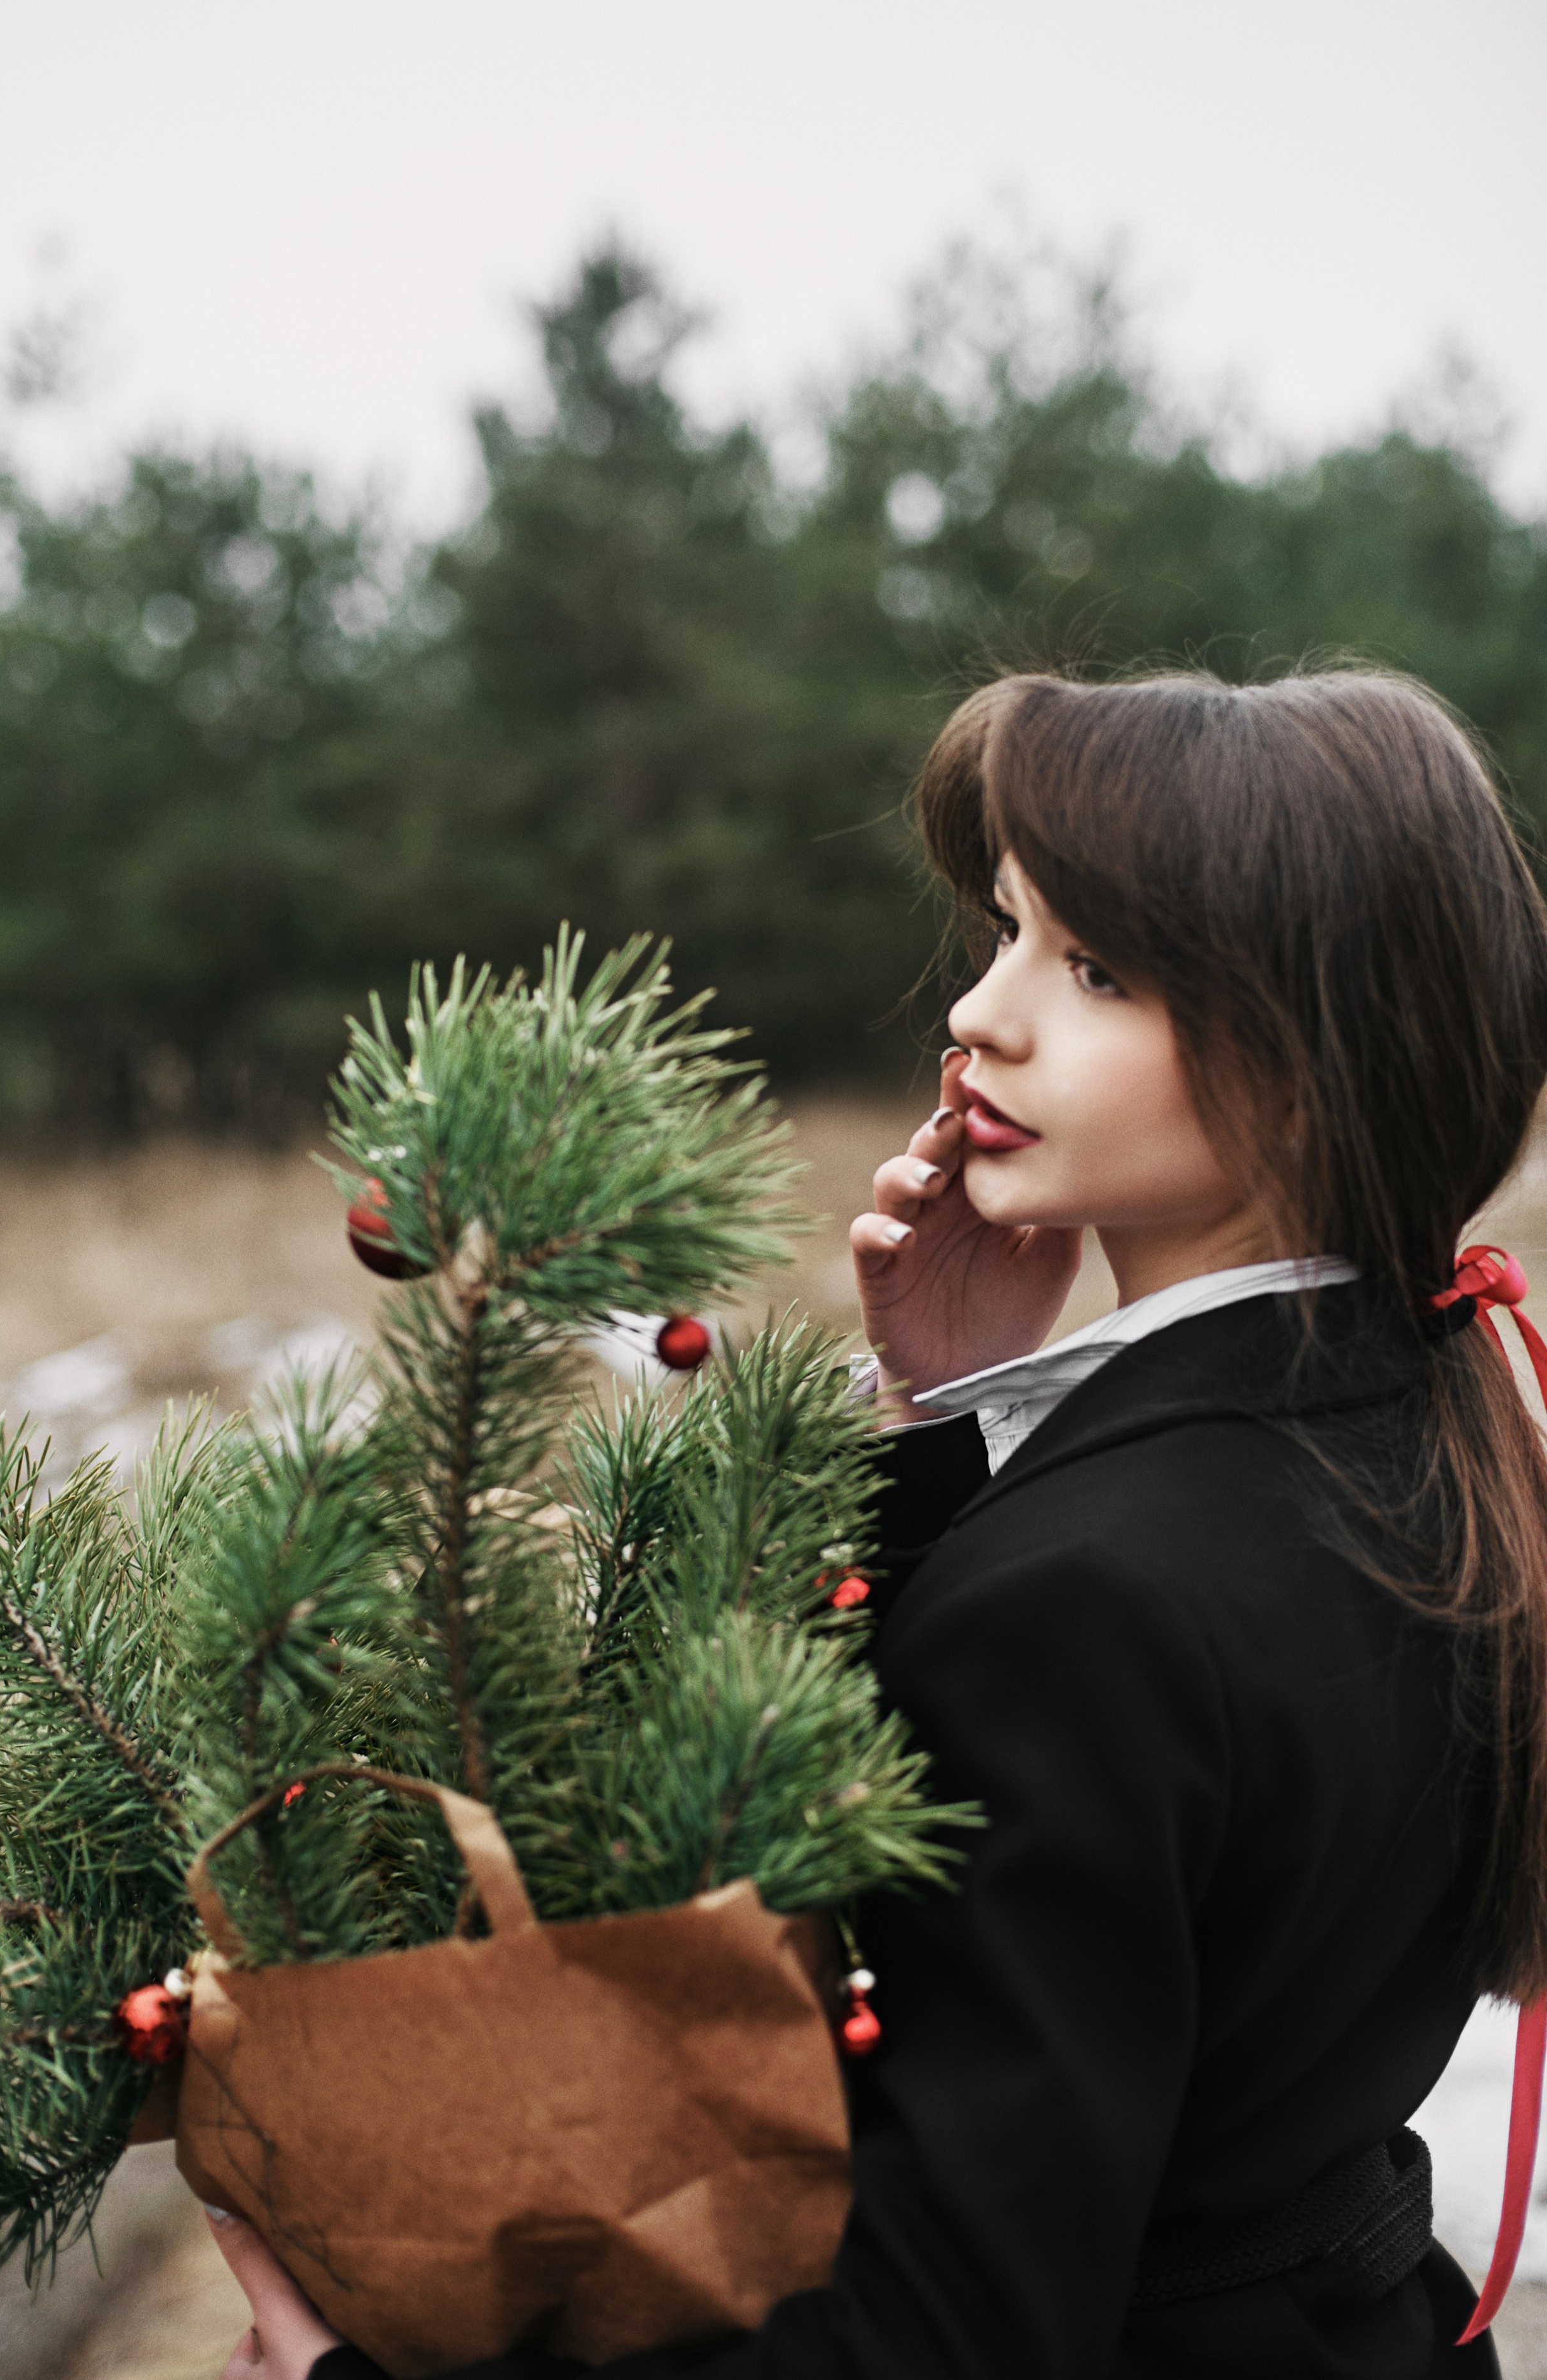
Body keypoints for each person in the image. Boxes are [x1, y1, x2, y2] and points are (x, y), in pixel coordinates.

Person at [213, 668, 1547, 2378]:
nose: (983, 1015)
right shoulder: (1424, 1437)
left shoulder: (1100, 1600)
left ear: (1315, 1057)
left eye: (1095, 969)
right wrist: (940, 1412)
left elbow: (936, 2332)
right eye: (1005, 931)